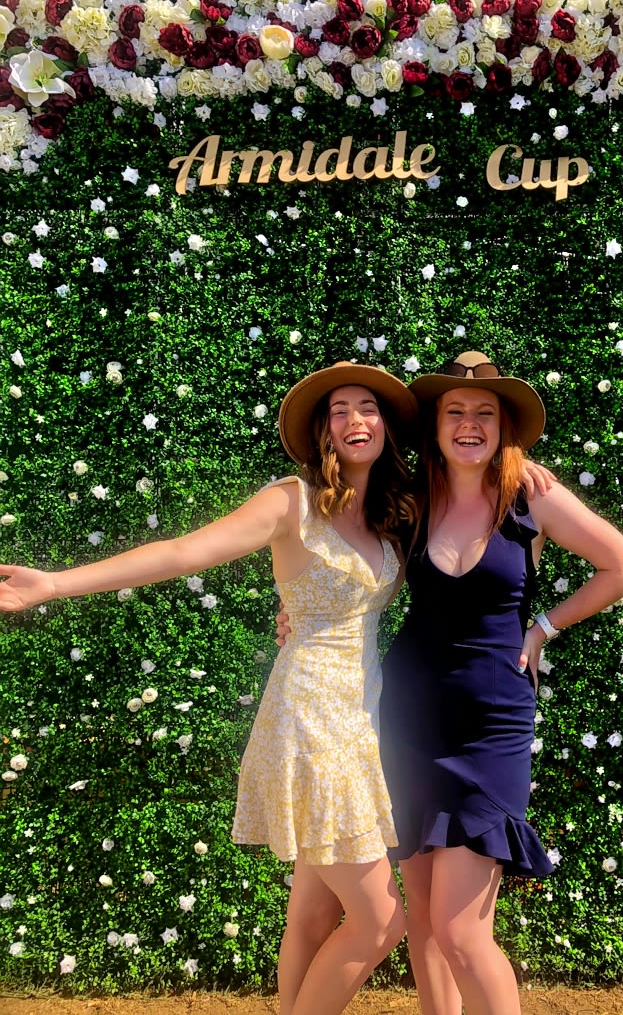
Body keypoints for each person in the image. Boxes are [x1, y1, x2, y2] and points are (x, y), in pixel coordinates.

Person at [0, 361, 422, 1015]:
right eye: (338, 410)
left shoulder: (396, 511)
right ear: (322, 431)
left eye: (366, 406)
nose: (353, 419)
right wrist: (55, 583)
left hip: (362, 719)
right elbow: (182, 553)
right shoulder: (291, 501)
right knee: (380, 921)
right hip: (312, 722)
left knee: (311, 916)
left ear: (387, 425)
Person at [378, 351, 623, 1015]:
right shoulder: (411, 502)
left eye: (484, 413)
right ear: (436, 424)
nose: (468, 424)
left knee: (462, 930)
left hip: (491, 728)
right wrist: (297, 611)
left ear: (504, 427)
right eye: (455, 412)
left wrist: (544, 629)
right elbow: (343, 570)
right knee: (423, 921)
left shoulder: (531, 497)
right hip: (408, 720)